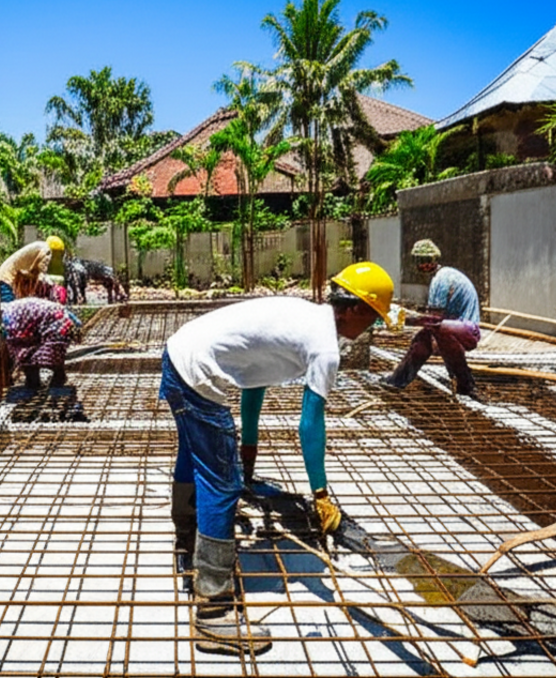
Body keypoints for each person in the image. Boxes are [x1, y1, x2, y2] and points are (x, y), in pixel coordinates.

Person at [160, 261, 394, 655]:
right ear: (355, 309)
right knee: (222, 484)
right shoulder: (325, 347)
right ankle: (213, 612)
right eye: (372, 319)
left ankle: (188, 539)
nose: (369, 329)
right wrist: (320, 495)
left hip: (177, 357)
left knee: (196, 457)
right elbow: (310, 425)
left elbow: (253, 381)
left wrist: (247, 449)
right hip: (198, 374)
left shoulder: (303, 315)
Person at [384, 239, 481, 397]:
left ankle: (466, 384)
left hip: (468, 330)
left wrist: (404, 319)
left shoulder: (440, 280)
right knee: (422, 342)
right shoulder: (445, 275)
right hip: (459, 327)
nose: (418, 266)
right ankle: (398, 381)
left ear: (427, 262)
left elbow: (433, 319)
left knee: (436, 331)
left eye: (420, 262)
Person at [0, 296, 82, 388]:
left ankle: (54, 378)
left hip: (55, 323)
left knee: (43, 355)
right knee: (30, 355)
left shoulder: (8, 322)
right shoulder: (9, 313)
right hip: (52, 319)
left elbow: (18, 344)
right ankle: (41, 379)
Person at [0, 236, 66, 303]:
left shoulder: (39, 247)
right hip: (7, 277)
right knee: (9, 307)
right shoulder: (46, 251)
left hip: (6, 272)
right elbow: (41, 274)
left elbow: (32, 271)